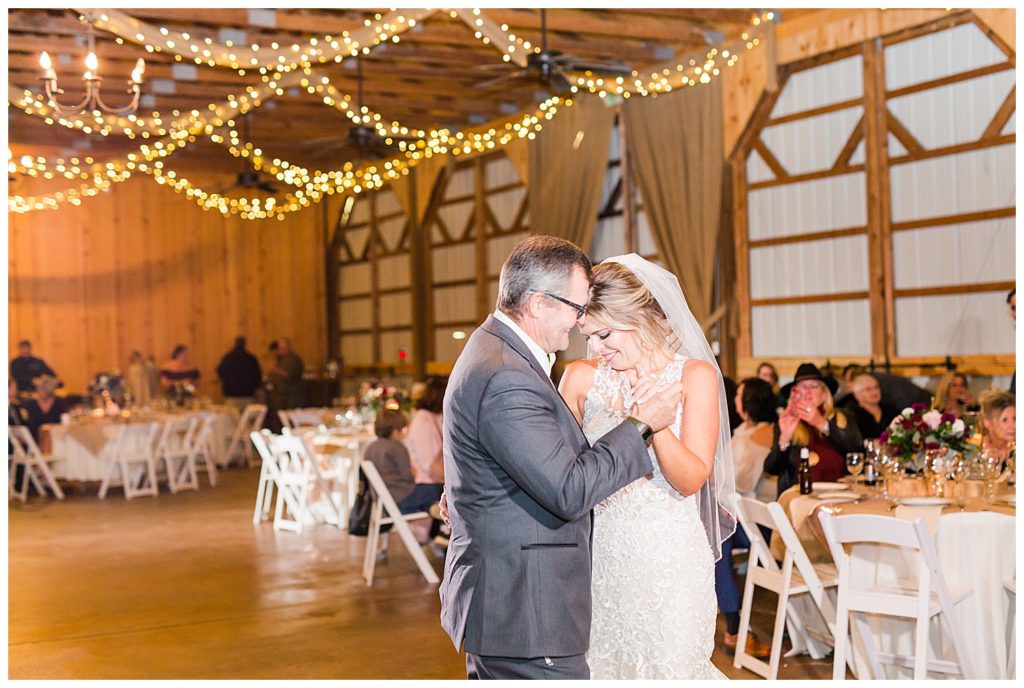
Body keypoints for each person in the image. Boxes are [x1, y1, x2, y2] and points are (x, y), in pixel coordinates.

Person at [440, 236, 683, 680]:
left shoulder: (496, 353)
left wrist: (467, 488)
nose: (579, 321)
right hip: (527, 607)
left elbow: (509, 453)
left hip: (513, 598)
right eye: (575, 307)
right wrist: (642, 424)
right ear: (537, 303)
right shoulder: (506, 374)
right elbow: (569, 490)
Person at [560, 254, 735, 679]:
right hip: (601, 560)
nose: (596, 349)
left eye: (604, 334)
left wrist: (655, 424)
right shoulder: (580, 378)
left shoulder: (694, 377)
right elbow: (560, 473)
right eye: (589, 336)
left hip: (671, 561)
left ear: (636, 315)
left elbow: (691, 479)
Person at [715, 376, 778, 659]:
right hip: (738, 513)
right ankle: (733, 622)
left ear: (749, 401)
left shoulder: (765, 434)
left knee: (719, 535)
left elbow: (743, 480)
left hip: (762, 522)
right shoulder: (743, 429)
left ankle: (734, 623)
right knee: (715, 533)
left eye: (739, 395)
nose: (735, 400)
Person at [764, 362, 863, 496]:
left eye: (814, 386)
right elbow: (771, 469)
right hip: (800, 497)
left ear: (824, 394)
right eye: (802, 387)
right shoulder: (788, 421)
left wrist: (821, 424)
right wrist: (784, 440)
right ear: (795, 394)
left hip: (840, 495)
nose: (807, 392)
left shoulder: (842, 416)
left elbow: (856, 449)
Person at [364, 409, 445, 553]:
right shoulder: (397, 447)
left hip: (384, 502)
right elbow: (408, 477)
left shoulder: (370, 447)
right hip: (403, 498)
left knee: (429, 495)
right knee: (441, 489)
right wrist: (413, 471)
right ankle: (444, 530)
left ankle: (432, 510)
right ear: (395, 432)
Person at [844, 372, 898, 440]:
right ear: (857, 394)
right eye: (868, 389)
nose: (874, 392)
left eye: (876, 387)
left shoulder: (890, 410)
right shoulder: (852, 414)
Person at [216, 337, 263, 412]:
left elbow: (220, 372)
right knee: (247, 421)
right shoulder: (251, 358)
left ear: (235, 344)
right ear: (245, 344)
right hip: (248, 394)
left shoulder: (228, 358)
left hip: (231, 394)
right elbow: (258, 376)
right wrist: (254, 387)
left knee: (232, 421)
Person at [978, 389, 1015, 467]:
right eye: (1004, 420)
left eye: (1015, 419)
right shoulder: (973, 452)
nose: (1013, 426)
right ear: (987, 423)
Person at [24, 374, 68, 441]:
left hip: (56, 439)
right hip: (35, 440)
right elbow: (29, 426)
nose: (39, 391)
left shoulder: (59, 404)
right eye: (38, 388)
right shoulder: (32, 405)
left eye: (42, 389)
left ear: (50, 392)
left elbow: (63, 424)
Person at [274, 338, 305, 409]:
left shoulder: (293, 360)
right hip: (284, 394)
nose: (279, 350)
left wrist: (277, 371)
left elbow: (291, 375)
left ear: (286, 348)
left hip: (293, 395)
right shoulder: (282, 359)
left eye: (280, 348)